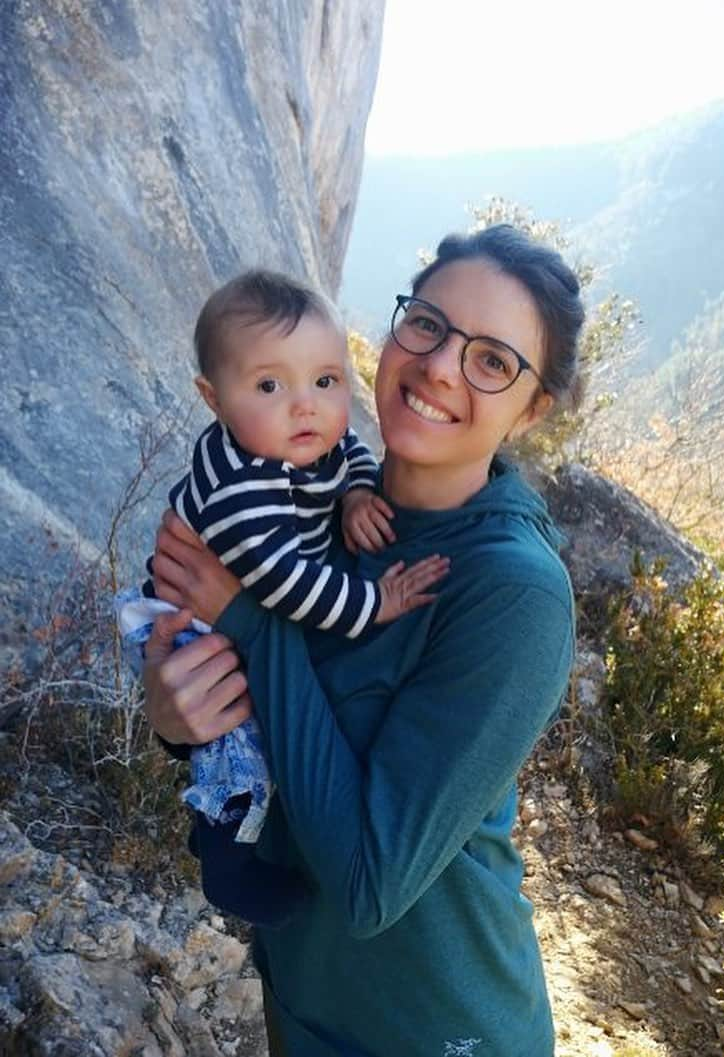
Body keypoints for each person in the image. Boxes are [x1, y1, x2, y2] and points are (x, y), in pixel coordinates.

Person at [143, 224, 584, 1057]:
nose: (443, 365)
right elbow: (262, 718)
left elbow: (370, 883)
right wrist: (177, 711)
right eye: (428, 324)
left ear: (532, 410)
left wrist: (248, 619)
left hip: (434, 1026)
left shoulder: (514, 593)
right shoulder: (319, 501)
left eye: (493, 361)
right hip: (305, 998)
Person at [117, 269, 447, 928]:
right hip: (191, 624)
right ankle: (227, 863)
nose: (306, 405)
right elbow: (284, 583)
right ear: (213, 398)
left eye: (325, 380)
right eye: (270, 384)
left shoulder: (299, 440)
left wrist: (356, 491)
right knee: (238, 740)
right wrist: (373, 603)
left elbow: (350, 450)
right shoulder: (244, 482)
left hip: (227, 605)